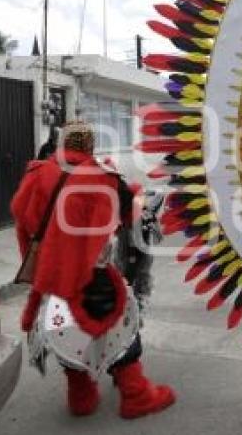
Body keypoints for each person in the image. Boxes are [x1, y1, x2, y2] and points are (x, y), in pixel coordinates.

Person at [10, 120, 175, 418]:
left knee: (64, 329)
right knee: (118, 325)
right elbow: (132, 215)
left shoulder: (36, 175)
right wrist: (136, 194)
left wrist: (39, 268)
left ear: (62, 144)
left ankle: (81, 396)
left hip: (52, 276)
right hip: (92, 274)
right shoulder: (102, 176)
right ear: (90, 145)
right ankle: (136, 395)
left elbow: (22, 221)